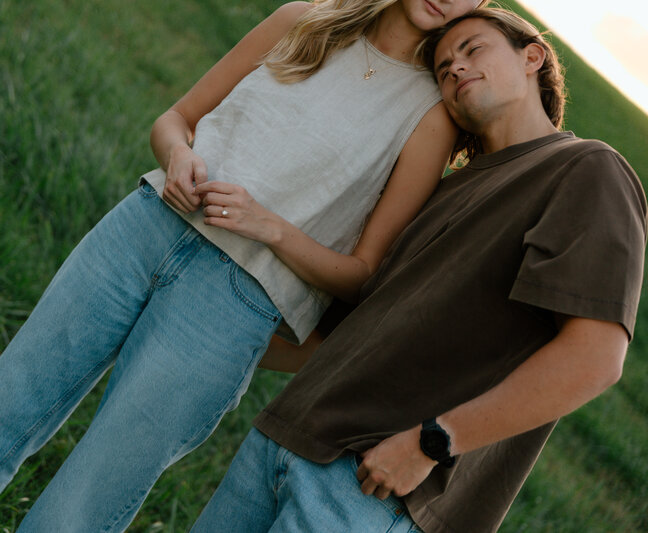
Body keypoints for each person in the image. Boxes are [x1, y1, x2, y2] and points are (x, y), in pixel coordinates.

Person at [0, 1, 487, 531]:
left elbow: (362, 273)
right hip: (144, 227)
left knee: (94, 488)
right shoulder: (302, 22)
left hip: (236, 299)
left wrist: (269, 226)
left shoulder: (430, 115)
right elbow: (176, 120)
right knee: (9, 402)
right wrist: (178, 156)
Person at [191, 7, 647, 533]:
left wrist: (432, 442)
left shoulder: (586, 170)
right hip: (289, 438)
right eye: (442, 66)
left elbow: (594, 358)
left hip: (377, 490)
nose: (454, 67)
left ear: (533, 57)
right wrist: (199, 345)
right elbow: (344, 335)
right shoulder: (444, 188)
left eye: (473, 50)